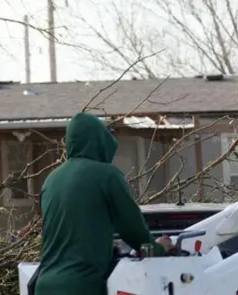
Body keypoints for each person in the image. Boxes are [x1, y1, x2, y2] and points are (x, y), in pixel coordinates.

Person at [31, 112, 174, 295]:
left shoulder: (51, 180)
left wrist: (104, 246)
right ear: (99, 142)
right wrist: (158, 247)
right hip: (82, 286)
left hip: (44, 285)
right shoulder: (107, 176)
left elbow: (67, 231)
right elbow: (133, 230)